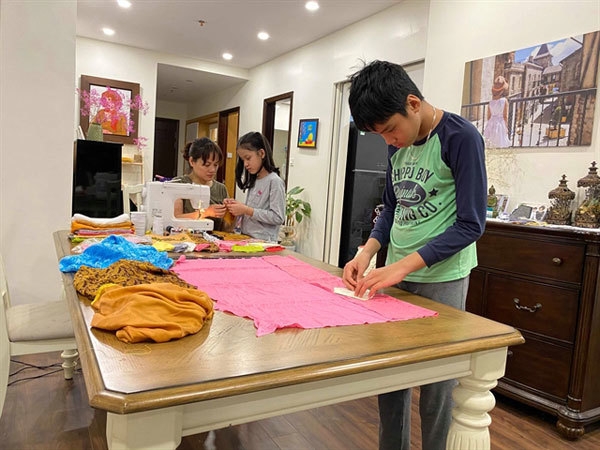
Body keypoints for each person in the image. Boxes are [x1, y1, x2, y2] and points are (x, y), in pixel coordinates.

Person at [343, 60, 487, 450]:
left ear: (413, 103)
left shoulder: (461, 137)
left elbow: (471, 224)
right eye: (380, 135)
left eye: (390, 129)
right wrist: (367, 253)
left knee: (436, 385)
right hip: (395, 272)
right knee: (390, 375)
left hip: (442, 277)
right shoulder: (398, 148)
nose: (388, 141)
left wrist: (401, 265)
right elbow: (391, 207)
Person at [224, 131, 285, 241]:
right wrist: (237, 207)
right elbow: (253, 210)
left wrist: (246, 210)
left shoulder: (274, 181)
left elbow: (278, 217)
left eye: (248, 158)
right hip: (247, 239)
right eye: (243, 160)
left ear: (261, 153)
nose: (246, 164)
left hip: (264, 243)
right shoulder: (255, 180)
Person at [170, 137, 231, 231]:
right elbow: (175, 219)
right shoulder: (179, 184)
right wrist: (205, 213)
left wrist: (234, 216)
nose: (212, 170)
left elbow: (226, 229)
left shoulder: (221, 189)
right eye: (207, 165)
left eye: (216, 165)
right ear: (191, 161)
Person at [483, 75, 511, 148]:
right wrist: (506, 127)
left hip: (491, 123)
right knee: (500, 142)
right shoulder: (504, 101)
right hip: (500, 124)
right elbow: (505, 116)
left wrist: (490, 123)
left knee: (490, 142)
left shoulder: (491, 102)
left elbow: (488, 116)